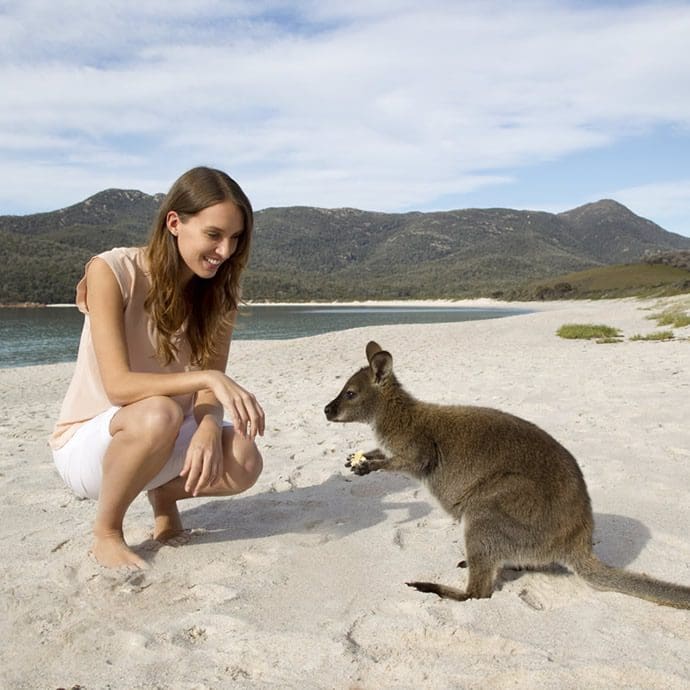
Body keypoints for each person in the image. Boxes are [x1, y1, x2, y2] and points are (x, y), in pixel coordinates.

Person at [49, 166, 265, 570]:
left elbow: (205, 395)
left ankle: (164, 498)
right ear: (174, 222)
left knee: (245, 458)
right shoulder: (113, 271)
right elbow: (119, 386)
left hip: (159, 436)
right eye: (214, 235)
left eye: (235, 238)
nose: (226, 251)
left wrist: (204, 427)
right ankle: (107, 532)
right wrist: (209, 377)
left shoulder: (220, 296)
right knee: (161, 410)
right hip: (91, 444)